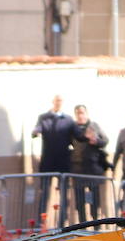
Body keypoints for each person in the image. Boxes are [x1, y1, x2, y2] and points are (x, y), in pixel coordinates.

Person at [31, 95, 74, 225]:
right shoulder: (44, 117)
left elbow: (77, 135)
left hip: (63, 161)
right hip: (48, 161)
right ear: (53, 102)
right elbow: (38, 128)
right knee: (44, 192)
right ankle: (41, 222)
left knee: (63, 193)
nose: (58, 103)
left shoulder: (68, 119)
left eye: (60, 101)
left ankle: (62, 221)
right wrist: (35, 132)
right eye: (56, 101)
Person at [69, 105, 109, 223]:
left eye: (82, 112)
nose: (80, 115)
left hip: (93, 169)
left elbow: (105, 140)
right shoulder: (73, 128)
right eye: (78, 113)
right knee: (80, 201)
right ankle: (82, 226)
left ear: (86, 113)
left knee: (94, 201)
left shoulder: (94, 125)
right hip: (78, 169)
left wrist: (96, 141)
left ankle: (96, 224)